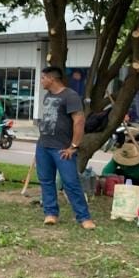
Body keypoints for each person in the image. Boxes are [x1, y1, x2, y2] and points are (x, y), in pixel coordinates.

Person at [36, 65, 95, 229]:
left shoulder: (71, 96)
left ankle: (84, 217)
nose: (41, 81)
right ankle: (50, 213)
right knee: (46, 180)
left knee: (70, 182)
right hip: (43, 145)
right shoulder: (47, 96)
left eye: (43, 78)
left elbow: (79, 121)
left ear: (51, 79)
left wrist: (73, 146)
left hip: (62, 148)